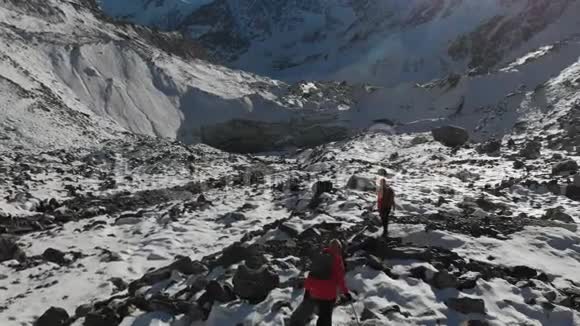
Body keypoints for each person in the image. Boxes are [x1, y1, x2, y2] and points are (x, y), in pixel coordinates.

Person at [289, 239, 351, 326]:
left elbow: (311, 275)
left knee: (315, 314)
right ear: (339, 248)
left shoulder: (320, 257)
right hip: (329, 294)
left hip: (315, 292)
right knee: (325, 317)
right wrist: (346, 293)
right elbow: (340, 279)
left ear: (329, 247)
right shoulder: (337, 259)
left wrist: (307, 291)